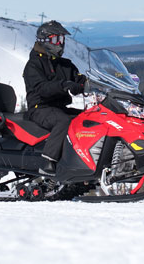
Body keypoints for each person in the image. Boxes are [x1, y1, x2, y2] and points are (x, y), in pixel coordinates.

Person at [22, 20, 86, 176]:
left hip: (59, 108)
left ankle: (83, 161)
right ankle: (48, 161)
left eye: (62, 40)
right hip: (40, 108)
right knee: (63, 121)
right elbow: (42, 89)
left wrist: (88, 84)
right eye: (56, 40)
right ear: (44, 41)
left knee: (87, 118)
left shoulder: (64, 64)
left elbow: (79, 79)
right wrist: (63, 85)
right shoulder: (33, 65)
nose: (60, 44)